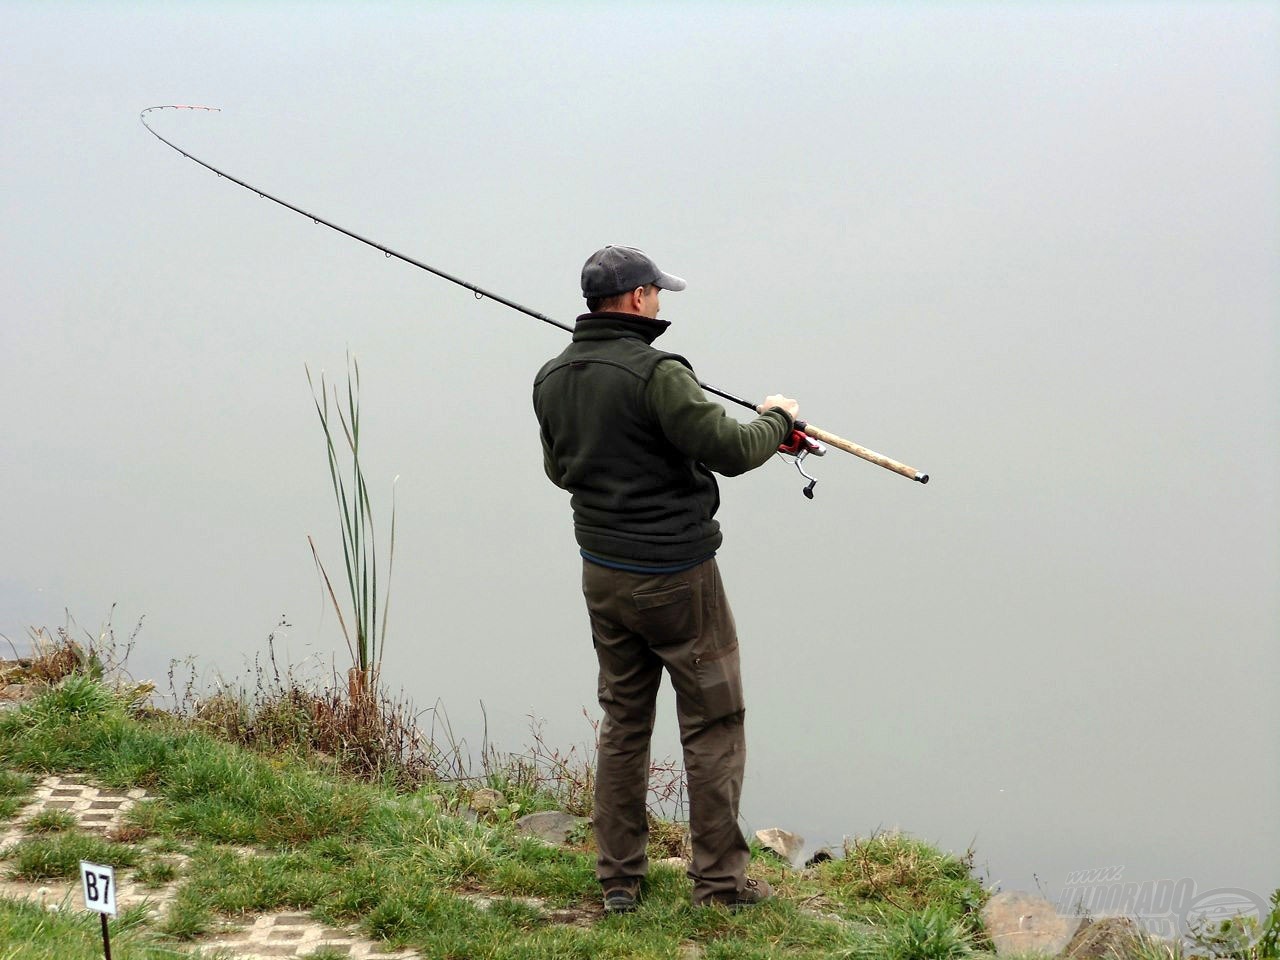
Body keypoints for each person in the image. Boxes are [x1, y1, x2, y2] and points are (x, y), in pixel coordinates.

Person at [532, 244, 800, 912]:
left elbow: (561, 471)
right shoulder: (660, 374)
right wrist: (778, 419)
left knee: (624, 721)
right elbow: (735, 452)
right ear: (633, 299)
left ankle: (619, 880)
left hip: (602, 574)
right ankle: (719, 885)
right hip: (679, 580)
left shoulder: (552, 376)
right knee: (713, 723)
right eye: (655, 291)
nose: (660, 302)